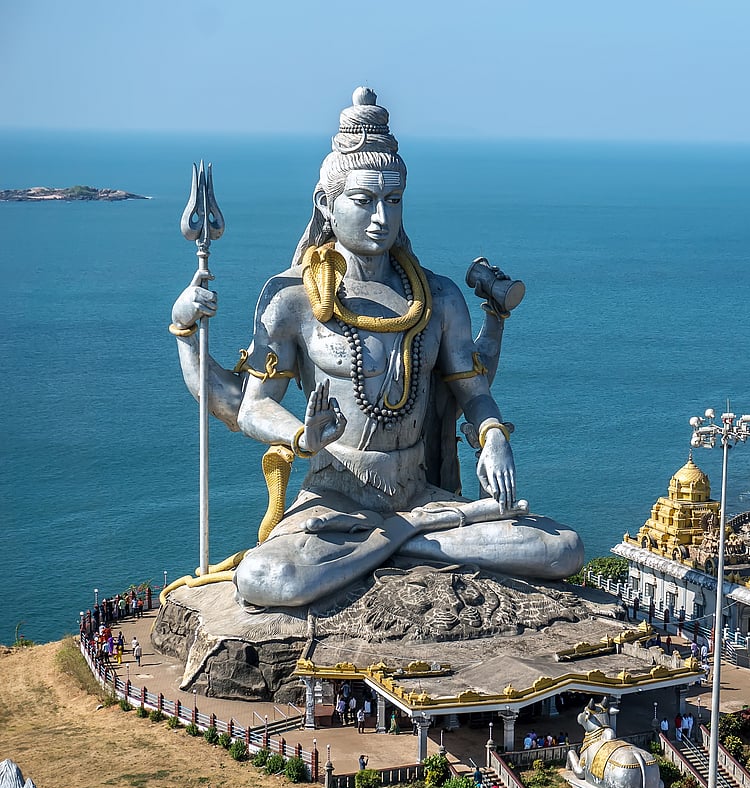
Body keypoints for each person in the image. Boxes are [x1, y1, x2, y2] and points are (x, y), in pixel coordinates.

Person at [170, 87, 583, 609]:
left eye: (393, 200)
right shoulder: (291, 298)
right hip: (335, 500)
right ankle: (403, 541)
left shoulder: (437, 298)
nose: (380, 218)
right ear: (327, 203)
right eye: (364, 200)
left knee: (561, 550)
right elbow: (249, 406)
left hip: (419, 494)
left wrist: (494, 435)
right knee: (269, 577)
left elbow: (472, 391)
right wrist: (301, 435)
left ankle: (398, 537)